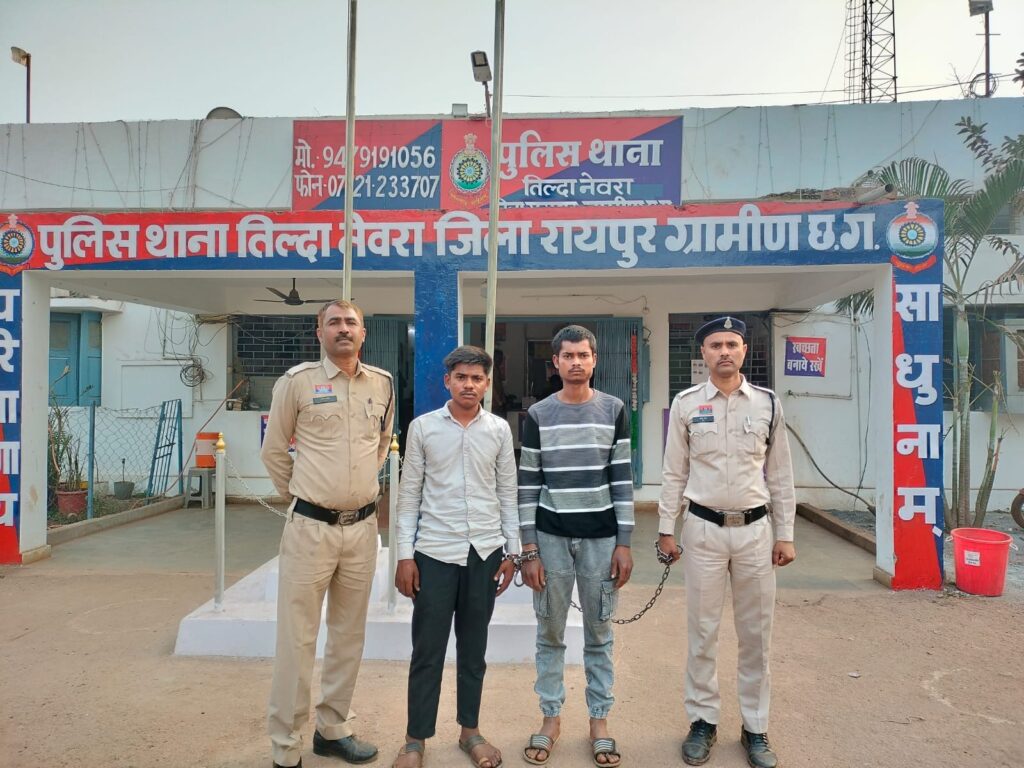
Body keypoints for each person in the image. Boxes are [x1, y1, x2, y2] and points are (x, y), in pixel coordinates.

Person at [657, 316, 796, 768]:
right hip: (703, 530)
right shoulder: (686, 404)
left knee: (756, 635)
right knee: (703, 631)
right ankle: (703, 721)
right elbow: (674, 472)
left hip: (756, 532)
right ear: (703, 353)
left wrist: (786, 534)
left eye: (732, 344)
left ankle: (755, 727)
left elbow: (780, 474)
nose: (724, 352)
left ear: (744, 351)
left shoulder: (768, 403)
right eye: (715, 345)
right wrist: (665, 528)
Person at [261, 299, 395, 768]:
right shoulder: (297, 382)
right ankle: (285, 746)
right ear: (319, 332)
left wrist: (353, 493)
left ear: (363, 333)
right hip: (310, 530)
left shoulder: (382, 383)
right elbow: (274, 451)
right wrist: (306, 497)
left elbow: (381, 444)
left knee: (348, 636)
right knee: (296, 639)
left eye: (351, 322)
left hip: (361, 531)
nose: (343, 329)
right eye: (333, 322)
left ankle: (333, 730)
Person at [391, 345, 519, 768]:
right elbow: (408, 497)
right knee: (427, 651)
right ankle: (415, 739)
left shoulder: (498, 430)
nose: (469, 385)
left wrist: (512, 552)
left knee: (473, 650)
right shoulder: (423, 428)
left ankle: (470, 732)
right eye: (461, 377)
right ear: (447, 381)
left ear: (487, 384)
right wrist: (405, 556)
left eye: (477, 378)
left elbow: (507, 494)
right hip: (434, 553)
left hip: (485, 553)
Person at [518, 325, 634, 768]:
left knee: (599, 632)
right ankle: (550, 718)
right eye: (567, 356)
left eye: (583, 355)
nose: (576, 362)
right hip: (551, 535)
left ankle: (599, 721)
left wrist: (624, 542)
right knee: (549, 631)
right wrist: (529, 548)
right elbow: (528, 483)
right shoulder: (538, 414)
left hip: (601, 537)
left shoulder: (614, 409)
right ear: (555, 362)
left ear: (594, 359)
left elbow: (621, 478)